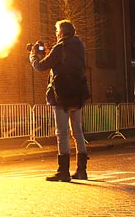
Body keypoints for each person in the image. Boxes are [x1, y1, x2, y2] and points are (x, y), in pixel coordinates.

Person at [29, 20, 90, 182]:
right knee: (77, 132)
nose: (56, 34)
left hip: (62, 96)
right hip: (78, 95)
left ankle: (63, 172)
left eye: (57, 31)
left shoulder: (60, 47)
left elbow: (41, 66)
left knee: (62, 133)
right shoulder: (79, 46)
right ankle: (82, 170)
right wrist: (51, 53)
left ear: (62, 33)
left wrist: (33, 55)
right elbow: (66, 63)